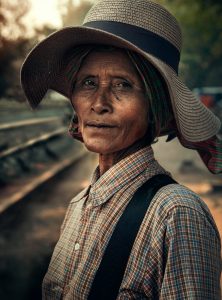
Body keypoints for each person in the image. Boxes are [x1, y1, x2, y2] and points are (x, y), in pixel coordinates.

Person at [21, 0, 222, 299]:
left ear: (156, 106)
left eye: (123, 85)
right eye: (88, 82)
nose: (99, 103)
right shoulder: (79, 205)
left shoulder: (177, 215)